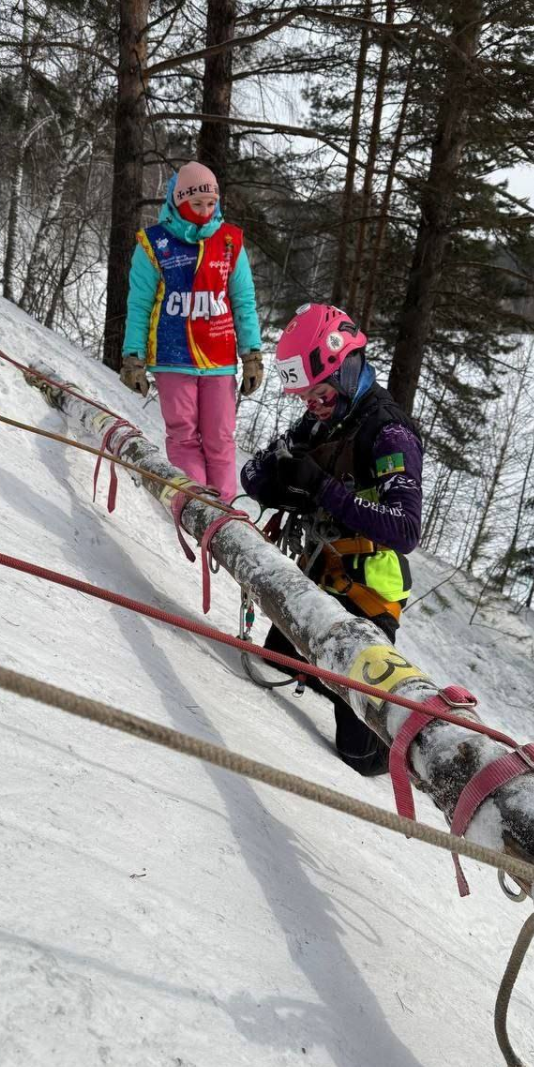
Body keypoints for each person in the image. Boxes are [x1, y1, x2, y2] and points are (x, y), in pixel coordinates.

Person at [240, 303, 423, 776]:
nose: (310, 405)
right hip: (322, 580)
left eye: (317, 393)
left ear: (346, 368)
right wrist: (285, 480)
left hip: (368, 597)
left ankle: (410, 740)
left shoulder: (389, 433)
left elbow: (404, 529)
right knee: (278, 657)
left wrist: (322, 488)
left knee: (360, 756)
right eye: (304, 397)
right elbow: (254, 474)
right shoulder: (324, 419)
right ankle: (337, 683)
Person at [119, 161, 262, 501]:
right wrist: (133, 358)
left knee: (220, 437)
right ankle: (196, 505)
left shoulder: (230, 242)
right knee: (183, 435)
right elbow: (139, 304)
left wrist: (252, 354)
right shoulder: (154, 244)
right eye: (196, 204)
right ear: (178, 201)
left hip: (219, 358)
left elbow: (244, 301)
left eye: (211, 204)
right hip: (173, 356)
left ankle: (225, 510)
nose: (204, 211)